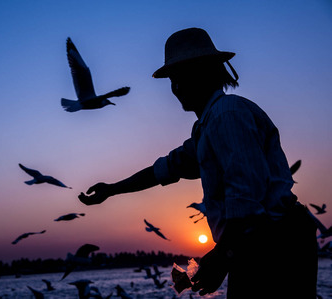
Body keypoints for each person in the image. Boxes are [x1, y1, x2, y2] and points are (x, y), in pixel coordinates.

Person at [78, 28, 318, 298]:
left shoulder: (227, 115)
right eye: (173, 79)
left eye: (181, 76)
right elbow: (166, 168)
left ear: (206, 73)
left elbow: (246, 200)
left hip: (276, 244)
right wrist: (111, 189)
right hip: (259, 243)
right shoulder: (208, 127)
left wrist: (223, 256)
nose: (176, 87)